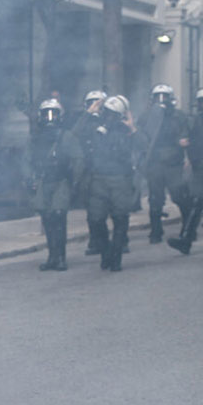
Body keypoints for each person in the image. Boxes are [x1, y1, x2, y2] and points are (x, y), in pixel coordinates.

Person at [74, 93, 141, 271]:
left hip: (121, 181)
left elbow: (144, 148)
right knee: (96, 220)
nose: (109, 117)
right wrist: (88, 113)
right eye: (107, 112)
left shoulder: (126, 131)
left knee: (120, 220)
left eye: (113, 114)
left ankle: (116, 258)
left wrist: (133, 129)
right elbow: (74, 135)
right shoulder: (95, 127)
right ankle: (106, 252)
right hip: (98, 180)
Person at [168, 86, 203, 256]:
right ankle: (186, 239)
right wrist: (183, 142)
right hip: (200, 167)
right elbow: (183, 136)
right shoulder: (192, 120)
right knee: (196, 201)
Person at [141, 85, 191, 243]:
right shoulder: (146, 117)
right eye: (158, 97)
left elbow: (186, 133)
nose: (161, 101)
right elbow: (141, 137)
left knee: (179, 195)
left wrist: (184, 146)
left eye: (164, 97)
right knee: (155, 198)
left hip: (173, 162)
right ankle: (156, 230)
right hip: (154, 162)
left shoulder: (178, 116)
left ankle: (188, 228)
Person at [31, 98, 74, 271]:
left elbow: (77, 159)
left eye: (53, 114)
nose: (50, 118)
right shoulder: (35, 138)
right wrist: (29, 178)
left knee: (58, 216)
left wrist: (74, 181)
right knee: (47, 218)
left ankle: (61, 257)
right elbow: (27, 159)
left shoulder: (66, 136)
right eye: (46, 114)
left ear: (60, 116)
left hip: (61, 181)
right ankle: (52, 256)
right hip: (43, 180)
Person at [71, 90, 110, 257]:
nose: (95, 107)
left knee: (112, 207)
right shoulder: (83, 122)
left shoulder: (110, 119)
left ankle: (119, 241)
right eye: (91, 103)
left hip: (108, 170)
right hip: (89, 170)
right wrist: (88, 115)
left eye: (98, 103)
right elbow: (73, 135)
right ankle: (96, 241)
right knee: (92, 209)